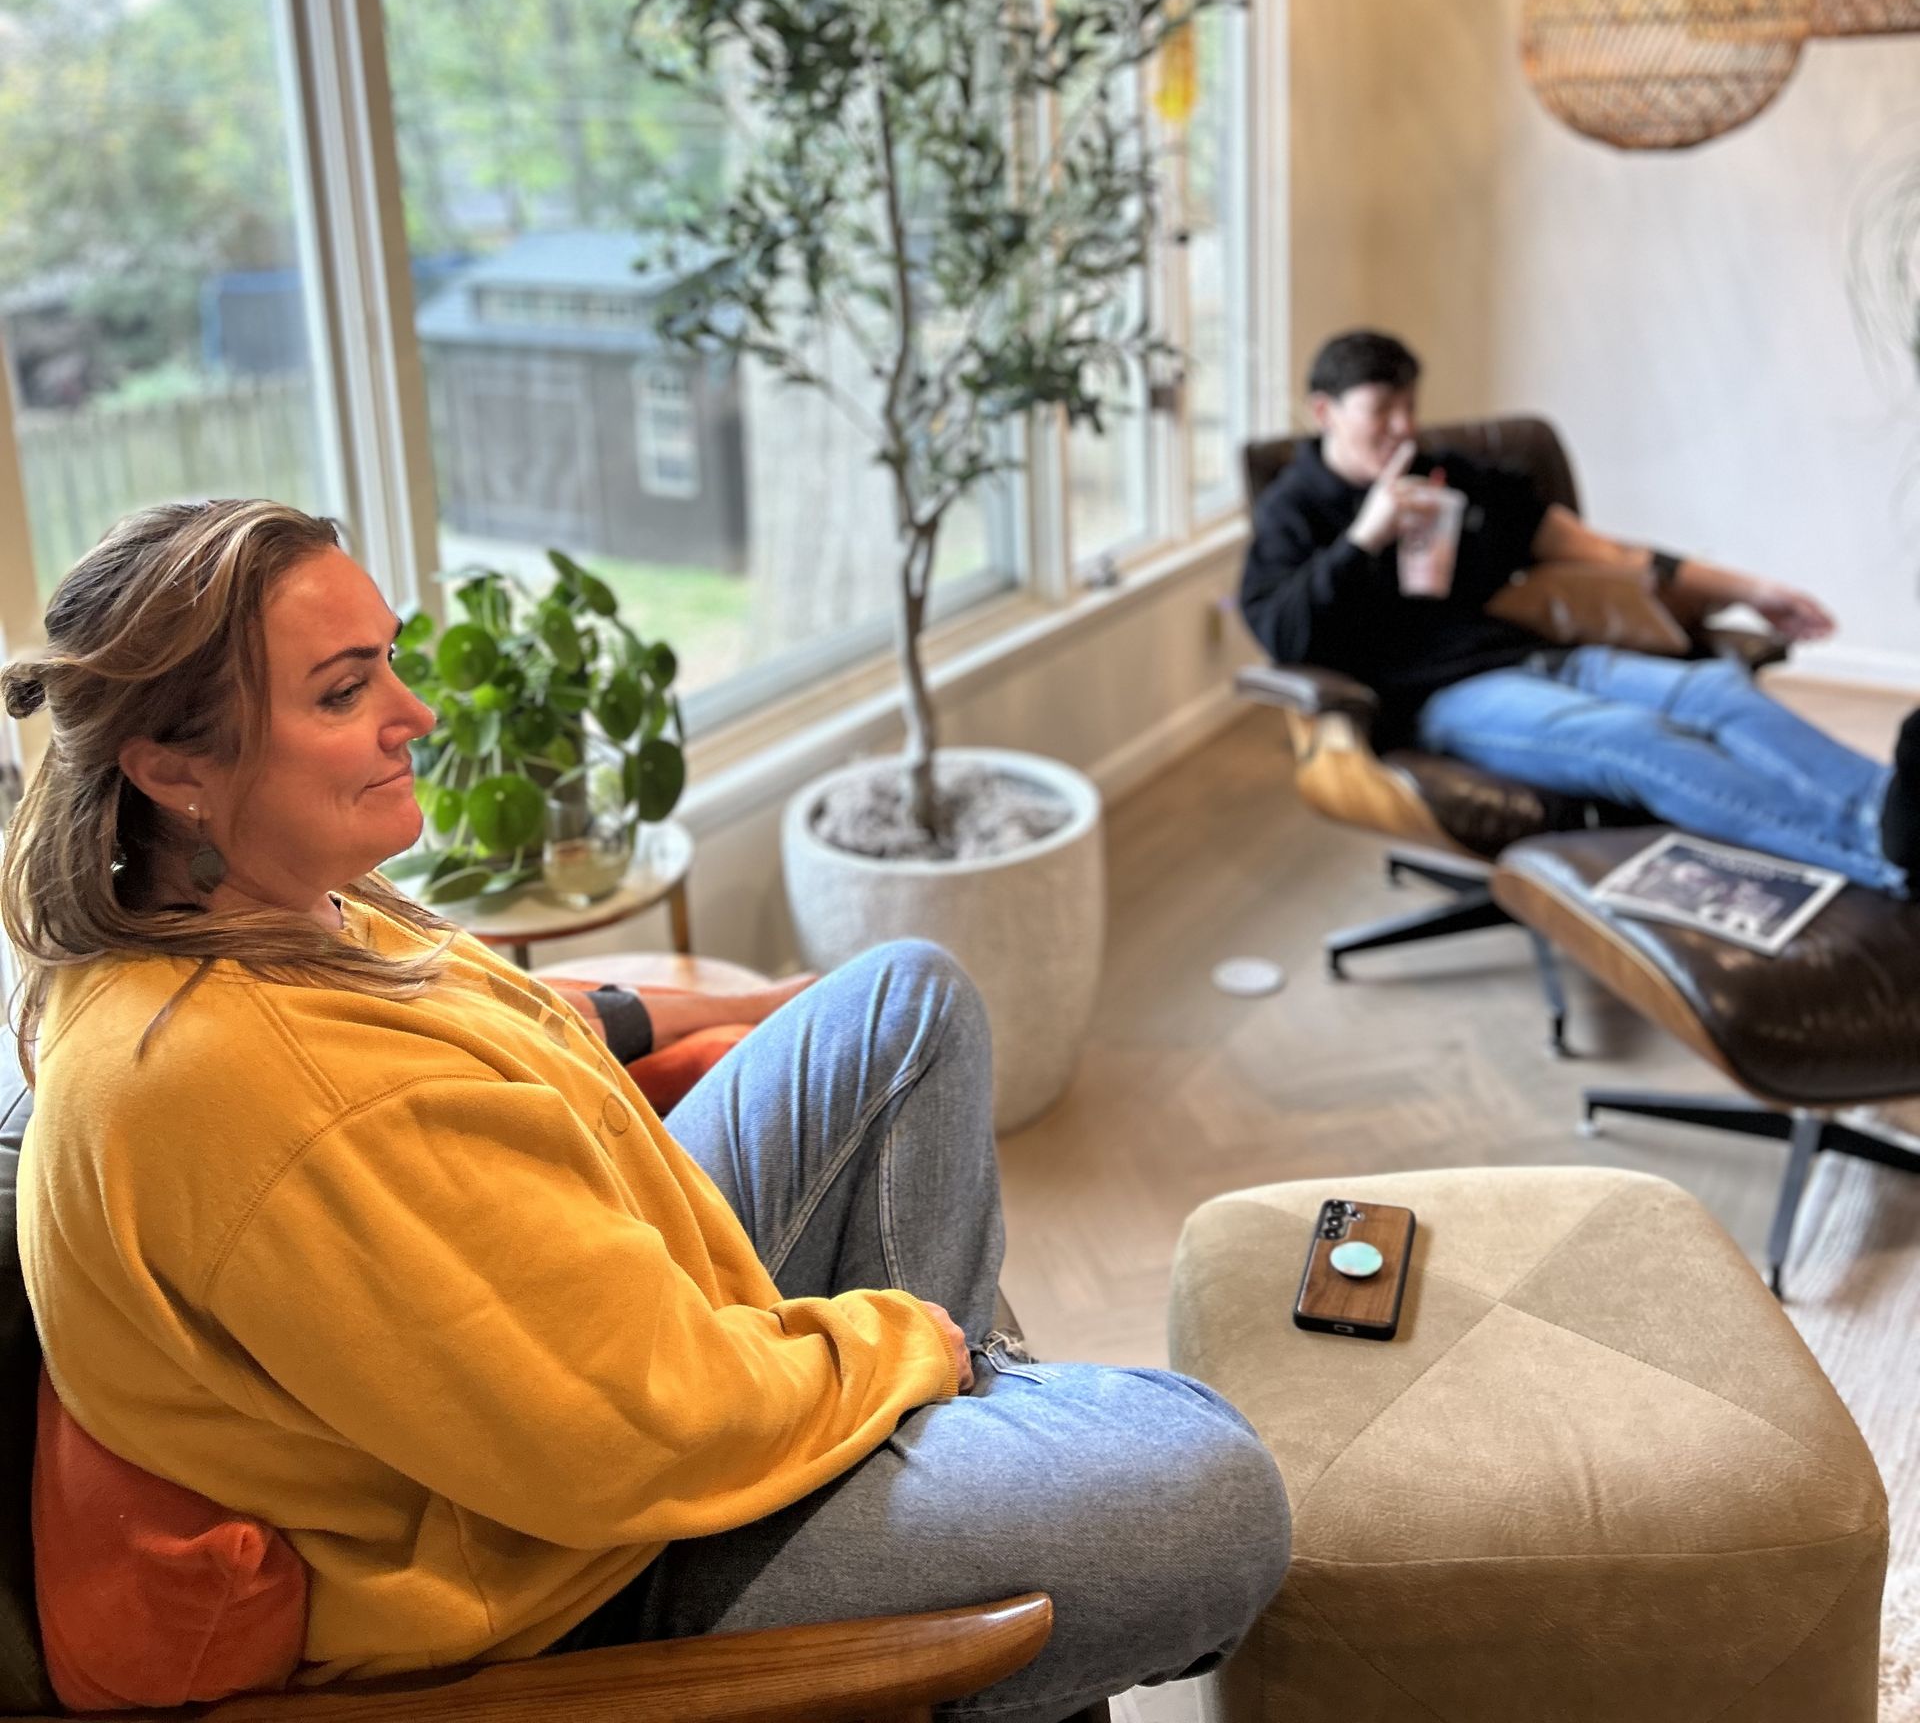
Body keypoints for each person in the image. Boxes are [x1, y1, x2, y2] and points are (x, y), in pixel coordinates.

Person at [1, 499, 1288, 1720]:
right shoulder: (253, 1087)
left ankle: (939, 1480)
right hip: (582, 1565)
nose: (418, 711)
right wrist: (900, 1342)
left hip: (606, 1349)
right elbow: (625, 1435)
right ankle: (929, 1542)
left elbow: (512, 1011)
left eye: (389, 661)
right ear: (174, 767)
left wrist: (738, 1004)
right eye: (345, 692)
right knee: (1211, 1492)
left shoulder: (274, 903)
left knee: (902, 998)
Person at [1239, 329, 1920, 899]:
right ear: (1324, 411)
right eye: (1381, 410)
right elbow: (1283, 632)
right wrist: (1366, 536)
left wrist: (1747, 589)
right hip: (1439, 698)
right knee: (1636, 736)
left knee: (1713, 691)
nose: (1403, 428)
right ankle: (1881, 866)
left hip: (1538, 654)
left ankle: (1899, 818)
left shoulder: (1448, 476)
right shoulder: (1294, 511)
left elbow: (1602, 552)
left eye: (1410, 406)